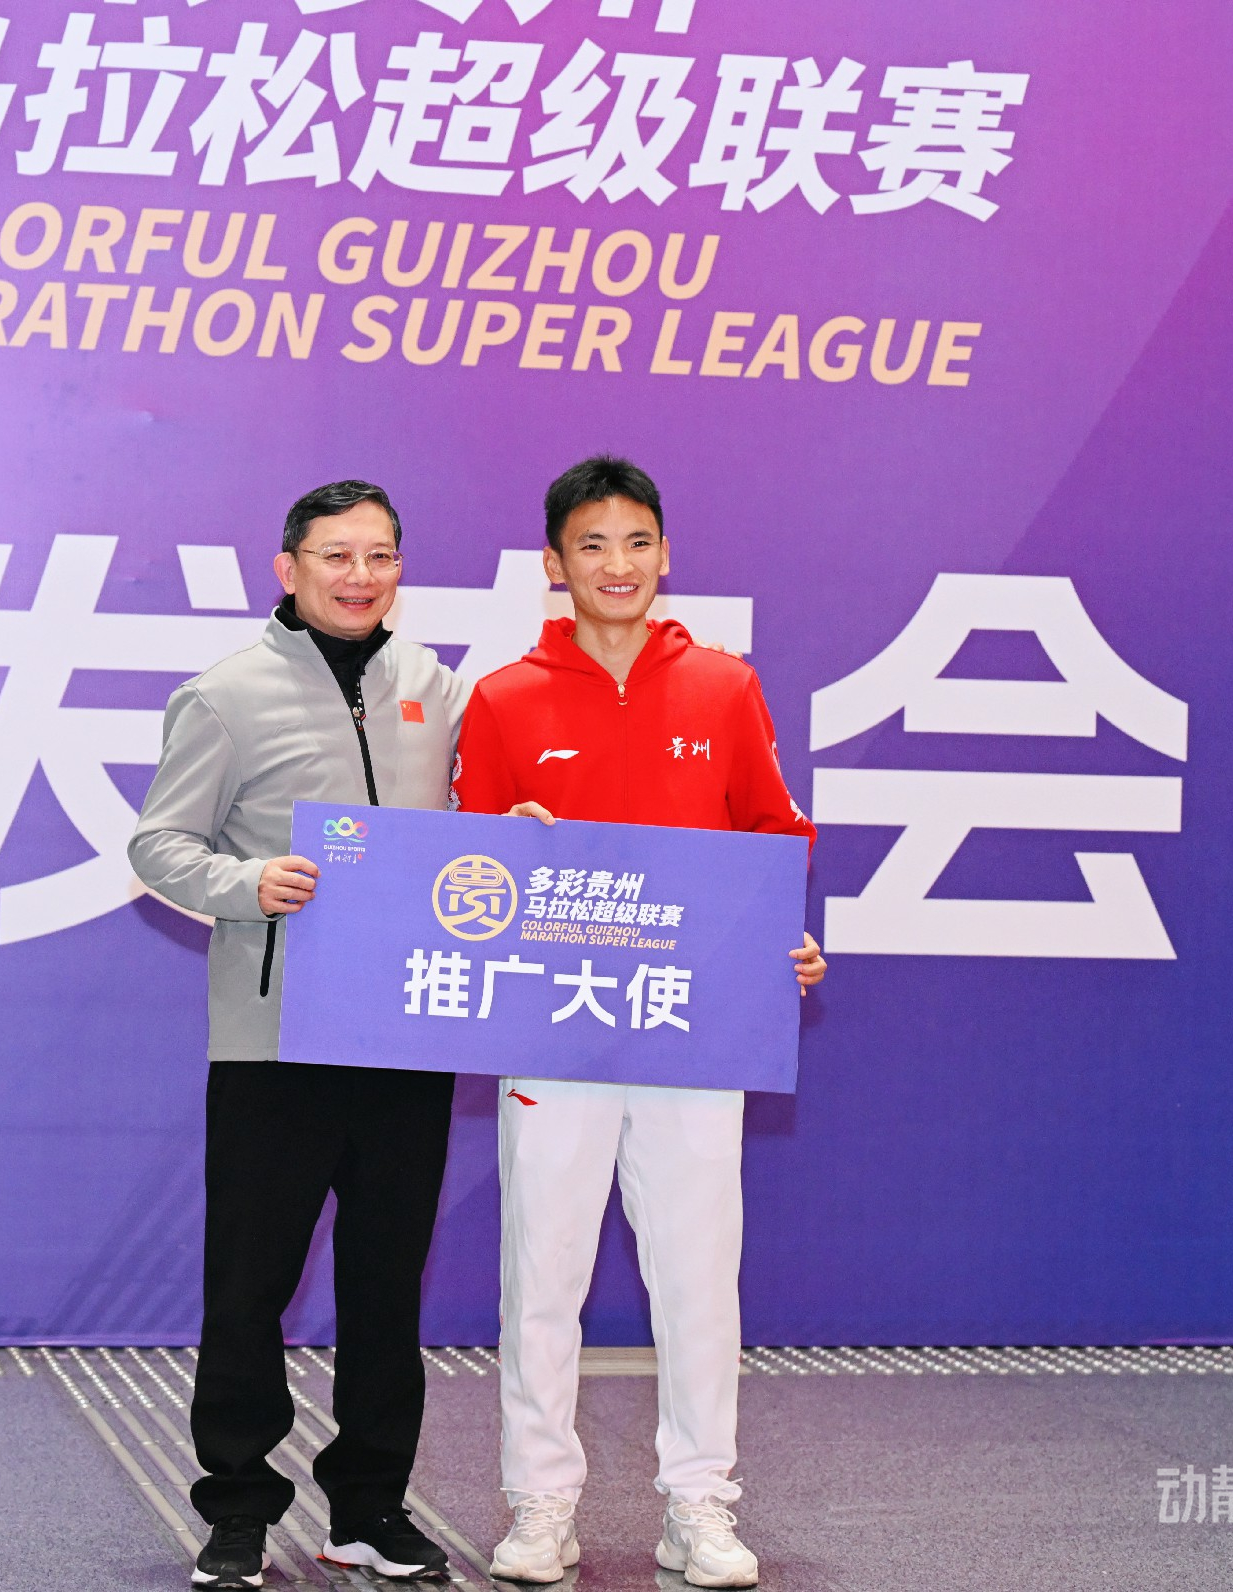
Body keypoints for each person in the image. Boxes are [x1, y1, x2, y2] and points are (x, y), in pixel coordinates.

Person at [451, 455, 825, 1589]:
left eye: (638, 542)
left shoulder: (723, 685)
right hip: (553, 1029)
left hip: (690, 1028)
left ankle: (699, 1503)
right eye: (593, 544)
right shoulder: (503, 697)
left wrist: (781, 947)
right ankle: (541, 1504)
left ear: (666, 553)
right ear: (553, 562)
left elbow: (773, 836)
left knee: (699, 1276)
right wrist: (503, 842)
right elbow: (462, 871)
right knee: (542, 1274)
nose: (618, 564)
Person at [130, 479, 469, 1590]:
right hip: (274, 1043)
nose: (360, 576)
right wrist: (248, 884)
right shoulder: (225, 695)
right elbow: (159, 844)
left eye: (380, 555)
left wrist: (506, 839)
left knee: (386, 1288)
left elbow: (456, 839)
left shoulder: (437, 688)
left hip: (404, 1034)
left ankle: (369, 1507)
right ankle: (236, 1507)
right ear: (288, 567)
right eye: (336, 555)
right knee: (250, 1288)